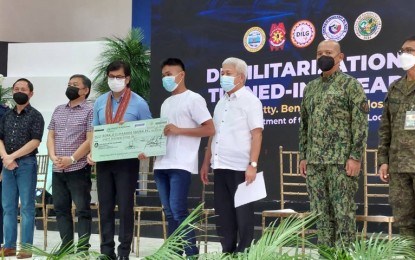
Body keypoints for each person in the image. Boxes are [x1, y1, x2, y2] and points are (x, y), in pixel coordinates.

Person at [138, 58, 214, 257]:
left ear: (182, 75)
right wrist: (147, 147)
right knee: (169, 211)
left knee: (178, 210)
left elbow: (209, 128)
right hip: (162, 163)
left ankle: (191, 252)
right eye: (163, 75)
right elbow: (163, 134)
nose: (166, 78)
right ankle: (173, 251)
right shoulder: (166, 103)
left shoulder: (194, 99)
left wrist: (179, 130)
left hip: (181, 163)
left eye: (169, 74)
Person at [299, 39, 369, 247]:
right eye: (319, 53)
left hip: (341, 162)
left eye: (328, 52)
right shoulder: (310, 88)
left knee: (343, 213)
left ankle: (345, 255)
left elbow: (360, 124)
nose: (323, 56)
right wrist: (303, 156)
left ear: (340, 57)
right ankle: (325, 254)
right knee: (320, 214)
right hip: (315, 162)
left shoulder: (351, 85)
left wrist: (355, 157)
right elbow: (304, 124)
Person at [88, 61, 152, 260]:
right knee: (105, 207)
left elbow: (149, 132)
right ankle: (107, 252)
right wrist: (92, 152)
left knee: (125, 207)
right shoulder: (100, 102)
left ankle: (124, 252)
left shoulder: (139, 103)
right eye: (111, 76)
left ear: (127, 79)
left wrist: (143, 148)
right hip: (105, 161)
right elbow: (94, 131)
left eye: (119, 77)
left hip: (126, 162)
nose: (115, 80)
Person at [200, 57, 263, 253]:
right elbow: (213, 135)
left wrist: (252, 164)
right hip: (220, 166)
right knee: (223, 216)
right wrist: (206, 162)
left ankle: (243, 254)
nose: (223, 77)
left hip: (241, 169)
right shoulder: (220, 103)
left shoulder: (251, 101)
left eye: (228, 73)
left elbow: (257, 134)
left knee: (243, 217)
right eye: (222, 73)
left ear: (241, 78)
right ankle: (227, 252)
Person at [47, 74, 93, 253]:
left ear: (85, 90)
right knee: (60, 209)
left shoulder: (90, 110)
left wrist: (72, 159)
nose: (70, 88)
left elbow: (90, 139)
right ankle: (65, 247)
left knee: (82, 209)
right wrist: (52, 156)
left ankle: (82, 249)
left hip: (78, 167)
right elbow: (51, 135)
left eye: (75, 85)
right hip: (58, 168)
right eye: (69, 84)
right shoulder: (59, 109)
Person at [0, 78, 45, 259]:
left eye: (23, 89)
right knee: (8, 207)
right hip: (7, 165)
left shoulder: (36, 115)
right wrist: (5, 157)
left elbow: (35, 141)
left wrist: (12, 157)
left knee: (26, 207)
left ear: (31, 93)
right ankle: (9, 246)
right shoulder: (6, 116)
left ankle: (26, 248)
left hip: (26, 164)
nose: (19, 91)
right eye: (16, 88)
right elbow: (0, 138)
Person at [378, 35, 415, 238]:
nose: (404, 54)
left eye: (410, 50)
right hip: (399, 166)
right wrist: (383, 160)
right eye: (402, 51)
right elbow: (385, 128)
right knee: (404, 220)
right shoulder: (395, 88)